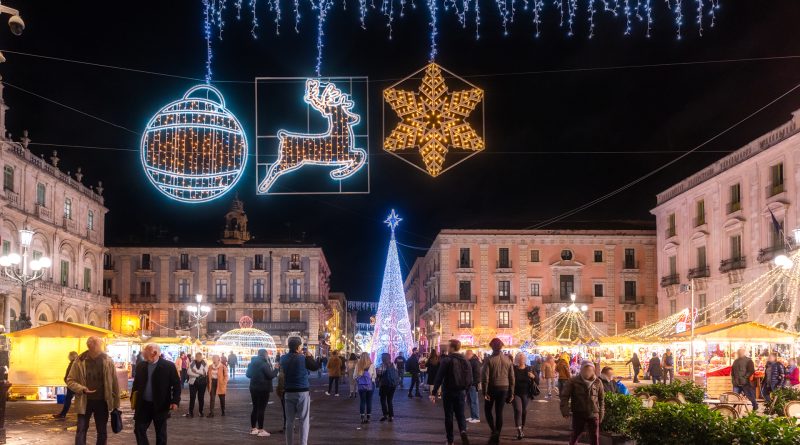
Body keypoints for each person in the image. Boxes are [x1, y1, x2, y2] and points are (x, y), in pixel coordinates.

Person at [66, 336, 120, 445]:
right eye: (99, 345)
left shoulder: (107, 360)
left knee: (102, 431)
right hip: (84, 402)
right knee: (81, 430)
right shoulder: (79, 361)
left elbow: (114, 382)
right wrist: (82, 389)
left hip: (102, 401)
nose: (101, 348)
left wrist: (116, 403)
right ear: (92, 347)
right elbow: (70, 380)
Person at [132, 343, 181, 445]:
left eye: (146, 354)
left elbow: (176, 385)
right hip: (143, 405)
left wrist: (175, 401)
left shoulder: (168, 366)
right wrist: (133, 399)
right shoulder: (141, 366)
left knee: (161, 434)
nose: (144, 356)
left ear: (154, 353)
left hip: (161, 405)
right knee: (139, 429)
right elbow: (136, 384)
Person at [280, 337, 320, 445]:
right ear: (298, 347)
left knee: (289, 421)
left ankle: (289, 443)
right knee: (304, 420)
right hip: (302, 392)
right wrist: (310, 357)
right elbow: (315, 367)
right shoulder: (303, 358)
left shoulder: (283, 358)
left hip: (288, 392)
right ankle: (303, 443)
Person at [430, 339, 471, 445]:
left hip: (448, 391)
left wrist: (434, 392)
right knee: (460, 414)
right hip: (461, 391)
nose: (447, 348)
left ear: (452, 348)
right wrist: (466, 391)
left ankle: (450, 440)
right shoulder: (465, 360)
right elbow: (469, 378)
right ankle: (463, 431)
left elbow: (439, 376)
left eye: (448, 346)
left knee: (448, 416)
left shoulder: (447, 360)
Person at [561, 361, 604, 445]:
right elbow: (565, 396)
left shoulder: (598, 382)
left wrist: (601, 413)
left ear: (593, 370)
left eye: (590, 370)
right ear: (581, 370)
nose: (587, 372)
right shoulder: (573, 381)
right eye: (585, 370)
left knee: (594, 437)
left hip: (593, 413)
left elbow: (601, 399)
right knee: (576, 434)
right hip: (579, 412)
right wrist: (565, 410)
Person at [481, 338, 514, 445]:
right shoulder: (508, 360)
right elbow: (512, 377)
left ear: (491, 346)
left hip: (492, 387)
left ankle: (494, 431)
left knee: (487, 410)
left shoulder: (489, 360)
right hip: (504, 387)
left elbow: (485, 377)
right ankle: (497, 435)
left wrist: (484, 391)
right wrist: (511, 392)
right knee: (499, 412)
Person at [247, 348, 277, 437]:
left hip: (253, 388)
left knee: (255, 408)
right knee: (261, 409)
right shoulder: (264, 364)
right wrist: (276, 369)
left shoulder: (252, 363)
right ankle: (261, 430)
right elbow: (270, 375)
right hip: (263, 388)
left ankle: (253, 429)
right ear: (265, 355)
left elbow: (248, 375)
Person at [512, 352, 535, 440]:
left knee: (524, 411)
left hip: (526, 393)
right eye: (520, 358)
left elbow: (536, 380)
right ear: (517, 359)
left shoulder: (529, 368)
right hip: (516, 393)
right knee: (518, 410)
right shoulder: (514, 369)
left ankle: (522, 428)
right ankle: (519, 430)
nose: (521, 359)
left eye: (523, 358)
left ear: (525, 359)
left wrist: (533, 376)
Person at [53, 351, 79, 419]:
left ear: (71, 356)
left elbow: (70, 374)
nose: (68, 357)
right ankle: (82, 415)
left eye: (69, 355)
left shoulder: (73, 363)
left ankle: (63, 414)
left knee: (68, 399)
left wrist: (67, 381)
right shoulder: (78, 363)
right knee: (75, 399)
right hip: (75, 384)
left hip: (72, 384)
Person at [377, 352, 399, 421]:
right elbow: (396, 373)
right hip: (393, 385)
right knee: (389, 400)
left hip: (384, 385)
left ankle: (385, 415)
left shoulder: (382, 365)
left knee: (383, 400)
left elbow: (379, 374)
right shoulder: (393, 365)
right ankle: (391, 416)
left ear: (383, 358)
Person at [355, 352, 377, 423]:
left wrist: (359, 380)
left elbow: (354, 376)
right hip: (370, 385)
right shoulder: (372, 365)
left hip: (361, 385)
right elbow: (375, 376)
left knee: (362, 401)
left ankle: (362, 417)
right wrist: (371, 380)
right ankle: (368, 418)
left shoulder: (358, 365)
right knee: (369, 401)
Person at [186, 352, 208, 417]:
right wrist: (198, 374)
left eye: (199, 356)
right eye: (197, 356)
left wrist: (196, 371)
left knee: (201, 398)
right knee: (192, 398)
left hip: (202, 383)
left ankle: (201, 412)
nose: (198, 357)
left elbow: (205, 373)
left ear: (201, 357)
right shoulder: (192, 363)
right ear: (195, 357)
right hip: (193, 383)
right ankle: (190, 412)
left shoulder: (205, 363)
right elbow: (189, 372)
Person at [464, 350, 481, 423]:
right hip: (469, 384)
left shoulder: (474, 362)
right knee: (470, 401)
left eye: (466, 355)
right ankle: (473, 416)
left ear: (469, 354)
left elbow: (477, 374)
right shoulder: (471, 361)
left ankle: (476, 417)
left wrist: (474, 383)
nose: (465, 356)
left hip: (472, 384)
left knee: (474, 401)